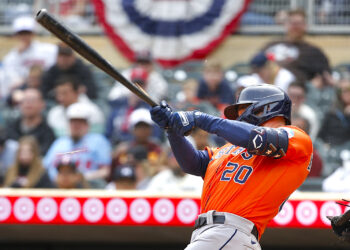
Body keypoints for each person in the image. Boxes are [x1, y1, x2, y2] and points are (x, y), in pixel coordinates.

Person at [151, 84, 313, 249]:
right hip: (216, 236)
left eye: (243, 108)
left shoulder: (297, 138)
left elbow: (258, 137)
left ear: (265, 108)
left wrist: (200, 118)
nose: (238, 115)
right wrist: (171, 130)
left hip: (231, 231)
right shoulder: (229, 148)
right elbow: (191, 163)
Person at [44, 102, 111, 188]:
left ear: (87, 125)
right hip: (58, 186)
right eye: (73, 122)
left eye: (80, 122)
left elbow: (105, 171)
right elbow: (45, 167)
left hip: (88, 186)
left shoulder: (98, 141)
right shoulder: (60, 142)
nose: (76, 125)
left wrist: (80, 178)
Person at [262, 9, 331, 84]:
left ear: (305, 26)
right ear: (285, 25)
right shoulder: (271, 45)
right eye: (292, 23)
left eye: (299, 23)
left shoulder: (313, 52)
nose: (295, 27)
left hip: (296, 89)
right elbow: (255, 66)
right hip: (267, 84)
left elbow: (325, 77)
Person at [1, 16, 57, 99]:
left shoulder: (49, 49)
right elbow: (12, 81)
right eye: (21, 33)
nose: (24, 36)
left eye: (27, 33)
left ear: (33, 33)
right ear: (16, 35)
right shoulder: (11, 57)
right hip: (23, 92)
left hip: (46, 88)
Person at [7, 88, 56, 155]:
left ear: (42, 104)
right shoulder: (11, 128)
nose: (28, 103)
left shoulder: (48, 133)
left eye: (32, 100)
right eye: (24, 100)